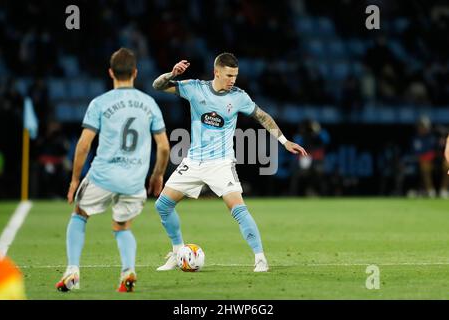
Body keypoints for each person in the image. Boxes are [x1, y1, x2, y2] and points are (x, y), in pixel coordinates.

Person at [152, 53, 307, 272]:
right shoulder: (195, 88)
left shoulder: (238, 96)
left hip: (221, 164)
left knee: (238, 209)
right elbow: (158, 86)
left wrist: (283, 141)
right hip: (194, 161)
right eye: (228, 75)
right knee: (162, 205)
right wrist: (172, 74)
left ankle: (260, 258)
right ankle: (177, 252)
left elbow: (262, 116)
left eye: (235, 75)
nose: (232, 80)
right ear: (217, 72)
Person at [55, 48, 170, 292]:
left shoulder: (100, 103)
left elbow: (84, 144)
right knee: (122, 225)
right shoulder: (149, 103)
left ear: (111, 73)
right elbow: (163, 147)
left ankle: (72, 270)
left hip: (103, 176)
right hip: (134, 180)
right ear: (135, 73)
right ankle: (128, 270)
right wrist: (157, 175)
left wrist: (75, 180)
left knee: (79, 214)